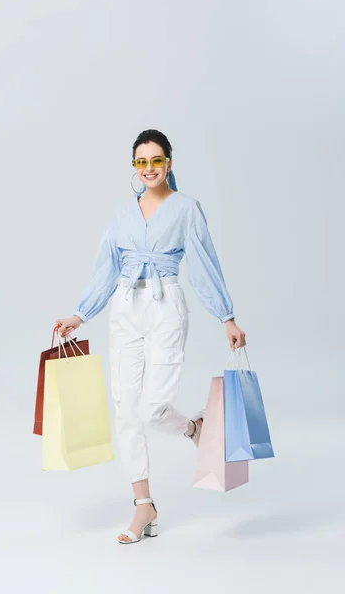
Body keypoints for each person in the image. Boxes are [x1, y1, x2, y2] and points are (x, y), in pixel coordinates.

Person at [55, 129, 246, 544]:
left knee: (153, 408)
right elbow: (105, 267)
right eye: (141, 162)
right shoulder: (122, 214)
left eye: (156, 160)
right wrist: (80, 314)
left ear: (169, 163)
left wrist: (226, 317)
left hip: (166, 308)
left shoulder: (186, 209)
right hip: (125, 310)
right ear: (135, 167)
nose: (149, 169)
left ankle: (192, 427)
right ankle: (144, 505)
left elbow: (203, 264)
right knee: (126, 410)